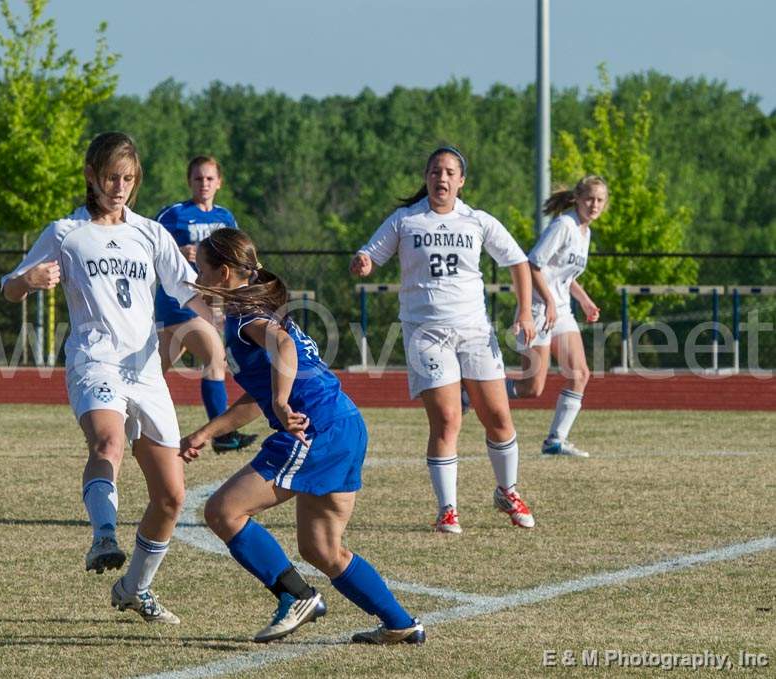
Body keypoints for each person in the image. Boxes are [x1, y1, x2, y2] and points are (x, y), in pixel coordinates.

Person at [1, 132, 216, 625]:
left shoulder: (150, 233)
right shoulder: (65, 232)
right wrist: (26, 282)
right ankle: (103, 535)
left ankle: (135, 588)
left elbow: (190, 290)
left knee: (172, 496)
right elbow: (9, 287)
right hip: (93, 362)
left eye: (128, 179)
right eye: (111, 178)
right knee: (107, 442)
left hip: (145, 372)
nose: (119, 188)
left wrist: (236, 302)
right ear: (91, 178)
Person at [180, 228, 425, 645]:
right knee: (321, 548)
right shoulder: (259, 311)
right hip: (345, 424)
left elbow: (283, 351)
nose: (194, 273)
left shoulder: (248, 318)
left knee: (223, 512)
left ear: (222, 273)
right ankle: (401, 624)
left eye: (199, 267)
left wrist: (279, 401)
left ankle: (297, 596)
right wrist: (208, 430)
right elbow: (257, 397)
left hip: (316, 430)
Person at [350, 145, 547, 535]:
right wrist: (363, 261)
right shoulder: (406, 221)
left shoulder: (477, 221)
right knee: (447, 421)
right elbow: (369, 255)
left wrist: (524, 311)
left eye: (449, 172)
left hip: (475, 332)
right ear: (426, 177)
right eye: (435, 171)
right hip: (426, 334)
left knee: (499, 418)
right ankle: (448, 510)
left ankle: (507, 490)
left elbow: (518, 261)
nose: (442, 178)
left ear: (461, 180)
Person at [155, 156, 256, 453]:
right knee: (214, 357)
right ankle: (222, 435)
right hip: (179, 303)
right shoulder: (173, 215)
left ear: (219, 182)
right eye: (198, 179)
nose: (204, 184)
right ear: (190, 182)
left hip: (208, 304)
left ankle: (119, 425)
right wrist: (177, 251)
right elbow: (148, 247)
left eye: (210, 178)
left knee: (148, 375)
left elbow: (238, 261)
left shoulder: (226, 218)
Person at [505, 176, 608, 457]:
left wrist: (584, 301)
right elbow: (533, 264)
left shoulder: (586, 233)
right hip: (539, 308)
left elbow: (563, 275)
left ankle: (555, 441)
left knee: (580, 373)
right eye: (589, 199)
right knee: (531, 387)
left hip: (560, 310)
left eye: (600, 200)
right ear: (577, 198)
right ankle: (473, 392)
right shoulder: (564, 225)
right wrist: (548, 301)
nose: (594, 205)